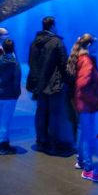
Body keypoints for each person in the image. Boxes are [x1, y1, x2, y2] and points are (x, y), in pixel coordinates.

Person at [27, 16, 73, 154]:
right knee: (54, 115)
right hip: (54, 85)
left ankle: (41, 141)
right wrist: (70, 80)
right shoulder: (57, 42)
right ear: (53, 26)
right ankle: (54, 144)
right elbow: (64, 64)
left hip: (39, 85)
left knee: (41, 113)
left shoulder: (34, 42)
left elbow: (31, 63)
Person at [69, 33, 98, 183]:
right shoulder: (87, 61)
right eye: (96, 45)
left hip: (81, 103)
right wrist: (94, 101)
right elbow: (82, 86)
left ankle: (81, 160)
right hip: (86, 104)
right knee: (88, 136)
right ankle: (88, 170)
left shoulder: (81, 59)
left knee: (83, 133)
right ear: (89, 46)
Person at [0, 39, 21, 155]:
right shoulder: (15, 63)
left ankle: (1, 142)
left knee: (0, 119)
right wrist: (16, 93)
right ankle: (2, 146)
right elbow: (16, 80)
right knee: (6, 121)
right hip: (10, 96)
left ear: (2, 48)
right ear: (13, 48)